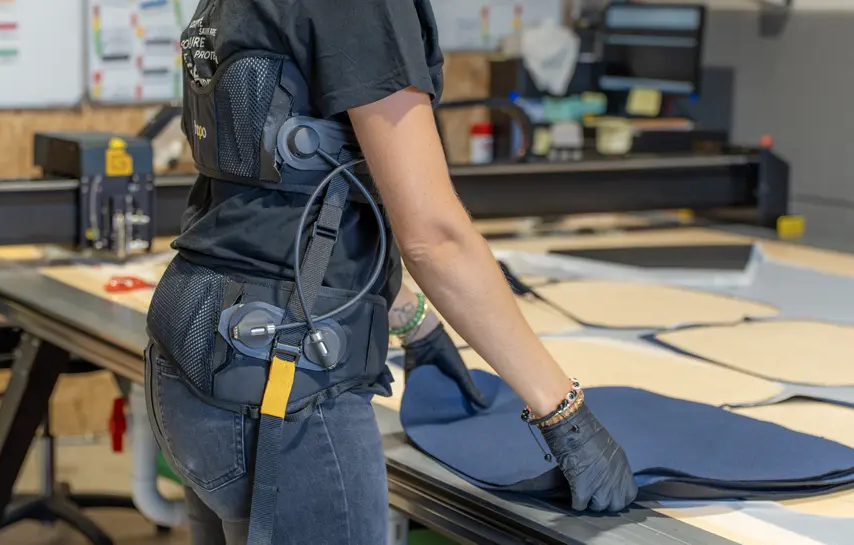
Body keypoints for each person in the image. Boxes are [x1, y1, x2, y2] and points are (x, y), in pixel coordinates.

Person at [144, 0, 637, 543]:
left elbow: (281, 185)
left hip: (203, 349)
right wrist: (562, 412)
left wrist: (409, 318)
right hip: (287, 380)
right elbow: (434, 236)